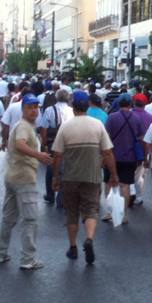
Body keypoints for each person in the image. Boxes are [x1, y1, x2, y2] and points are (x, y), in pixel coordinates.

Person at [51, 90, 116, 264]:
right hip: (92, 176)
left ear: (73, 107)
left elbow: (57, 155)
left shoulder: (65, 126)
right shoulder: (97, 125)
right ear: (87, 106)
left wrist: (55, 178)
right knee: (90, 210)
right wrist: (114, 175)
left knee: (71, 213)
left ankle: (73, 247)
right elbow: (108, 153)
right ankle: (89, 238)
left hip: (70, 177)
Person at [0, 94, 52, 269]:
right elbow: (20, 144)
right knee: (30, 220)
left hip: (13, 177)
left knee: (8, 218)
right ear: (23, 109)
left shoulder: (26, 126)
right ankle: (28, 259)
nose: (34, 110)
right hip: (24, 179)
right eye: (30, 107)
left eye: (36, 107)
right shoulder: (24, 127)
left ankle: (1, 253)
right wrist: (38, 155)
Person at [102, 93, 144, 224]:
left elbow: (106, 137)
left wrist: (102, 155)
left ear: (119, 104)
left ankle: (110, 212)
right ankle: (124, 215)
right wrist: (143, 155)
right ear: (131, 104)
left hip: (112, 156)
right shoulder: (136, 118)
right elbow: (141, 138)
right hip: (129, 156)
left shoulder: (112, 117)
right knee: (125, 185)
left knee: (109, 182)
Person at [40, 90, 74, 205]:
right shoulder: (71, 111)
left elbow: (44, 128)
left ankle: (50, 194)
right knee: (65, 168)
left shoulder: (50, 110)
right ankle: (61, 196)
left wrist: (44, 143)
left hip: (53, 142)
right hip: (68, 141)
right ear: (68, 98)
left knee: (51, 167)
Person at [131, 95, 152, 206]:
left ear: (134, 103)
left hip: (129, 148)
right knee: (141, 174)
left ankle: (129, 191)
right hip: (145, 148)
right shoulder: (150, 117)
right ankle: (138, 195)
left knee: (129, 172)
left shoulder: (130, 115)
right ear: (145, 104)